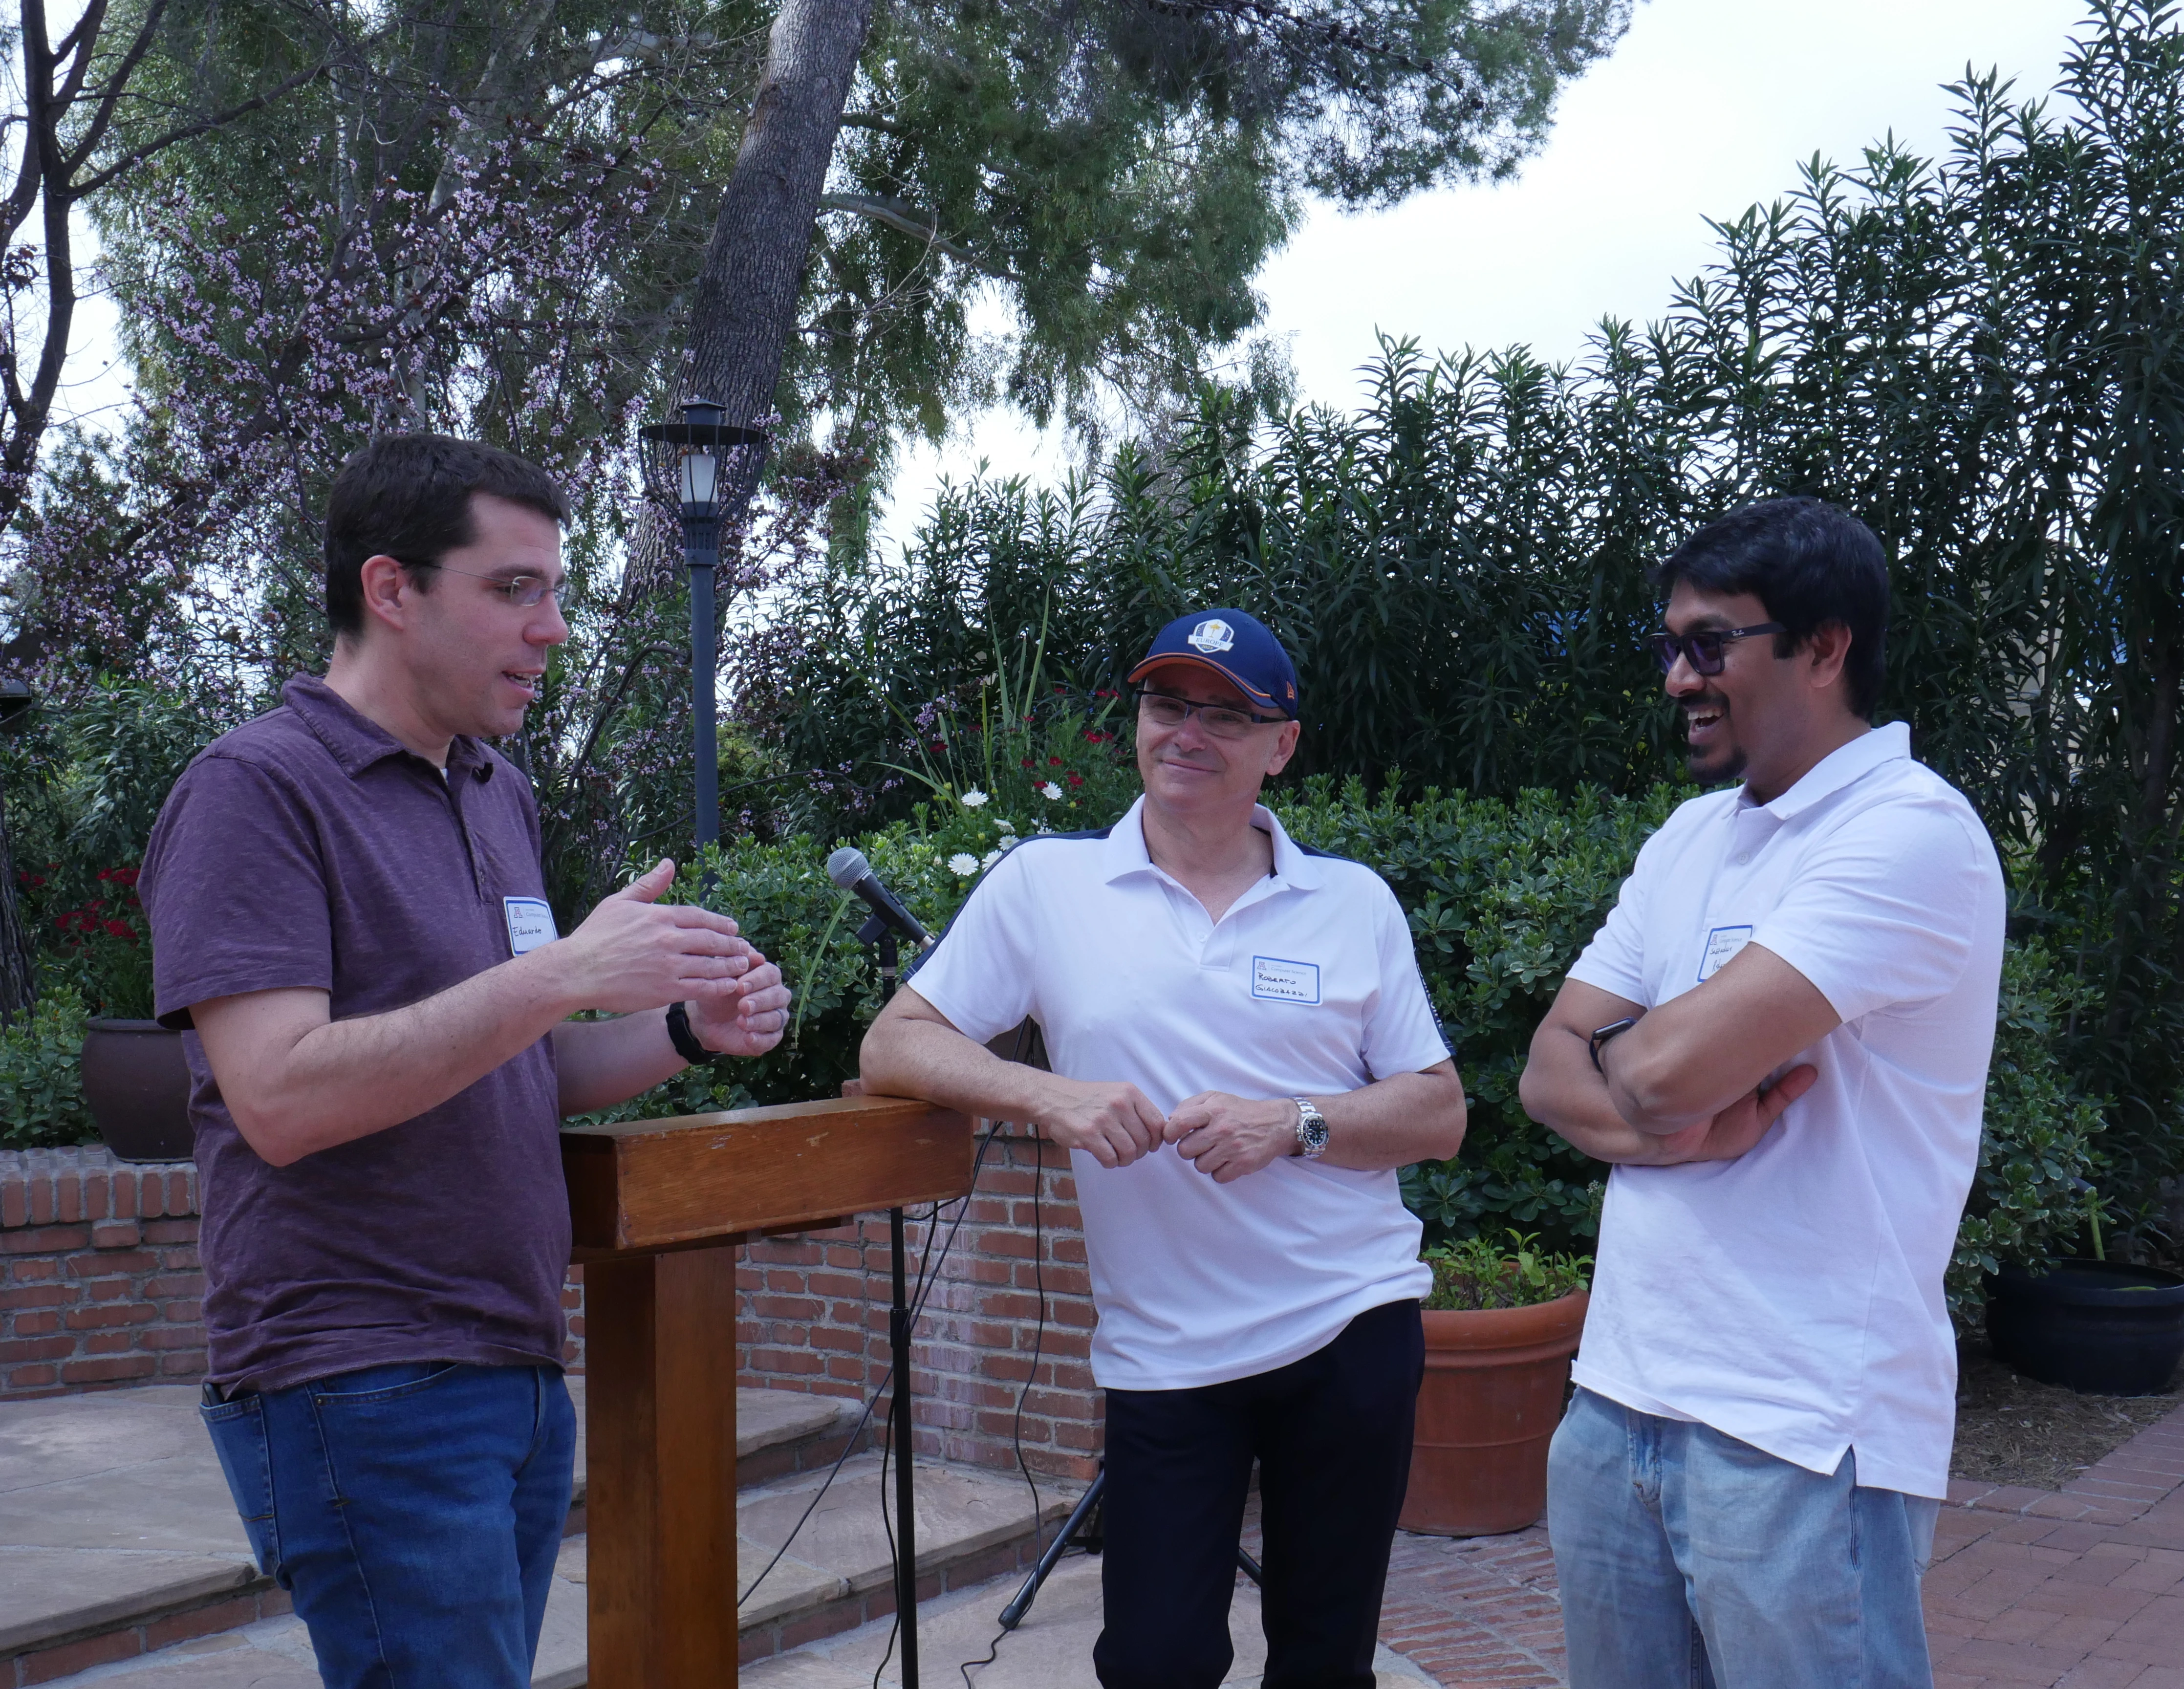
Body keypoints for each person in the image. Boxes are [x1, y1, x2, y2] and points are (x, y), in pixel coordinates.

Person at [140, 434, 793, 1689]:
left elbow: (514, 1067)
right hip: (360, 1376)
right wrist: (561, 973)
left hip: (511, 1370)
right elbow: (277, 1096)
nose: (552, 628)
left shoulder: (496, 792)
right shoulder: (255, 793)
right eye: (514, 589)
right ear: (392, 591)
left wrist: (672, 1032)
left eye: (555, 591)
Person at [858, 608, 1466, 1689]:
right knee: (1153, 1660)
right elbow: (896, 1044)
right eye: (1166, 704)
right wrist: (1047, 1095)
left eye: (1226, 715)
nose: (1187, 732)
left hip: (1349, 1325)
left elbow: (1440, 1112)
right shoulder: (1045, 886)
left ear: (1281, 745)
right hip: (1166, 1352)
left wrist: (1297, 1124)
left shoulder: (1350, 901)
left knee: (1326, 1663)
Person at [1518, 496, 2005, 1687]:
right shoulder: (1690, 839)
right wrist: (1676, 1137)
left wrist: (1636, 1065)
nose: (1679, 677)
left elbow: (1659, 1065)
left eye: (1710, 644)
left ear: (1825, 646)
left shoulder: (1910, 834)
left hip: (1800, 1430)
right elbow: (1543, 1072)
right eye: (1669, 645)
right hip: (1617, 1400)